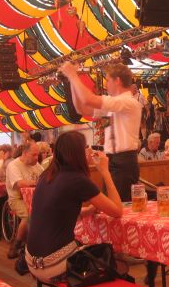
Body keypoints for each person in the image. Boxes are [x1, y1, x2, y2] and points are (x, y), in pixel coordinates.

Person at [26, 131, 122, 287]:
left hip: (31, 259)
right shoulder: (77, 179)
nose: (88, 151)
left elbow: (56, 211)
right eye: (85, 147)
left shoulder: (46, 175)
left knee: (92, 260)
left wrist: (88, 211)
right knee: (107, 267)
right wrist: (105, 171)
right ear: (77, 153)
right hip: (52, 264)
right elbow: (117, 211)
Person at [59, 62, 141, 202]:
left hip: (124, 161)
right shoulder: (114, 104)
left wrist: (73, 75)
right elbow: (81, 109)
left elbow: (88, 99)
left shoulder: (128, 102)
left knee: (119, 207)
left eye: (108, 80)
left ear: (117, 81)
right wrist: (71, 81)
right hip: (113, 161)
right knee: (113, 205)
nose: (105, 84)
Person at [6, 141, 43, 259]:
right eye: (34, 155)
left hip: (35, 199)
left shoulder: (36, 165)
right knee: (29, 215)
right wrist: (36, 183)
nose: (37, 158)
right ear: (25, 153)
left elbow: (46, 177)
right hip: (17, 199)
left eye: (38, 155)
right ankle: (16, 245)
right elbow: (19, 183)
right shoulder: (14, 165)